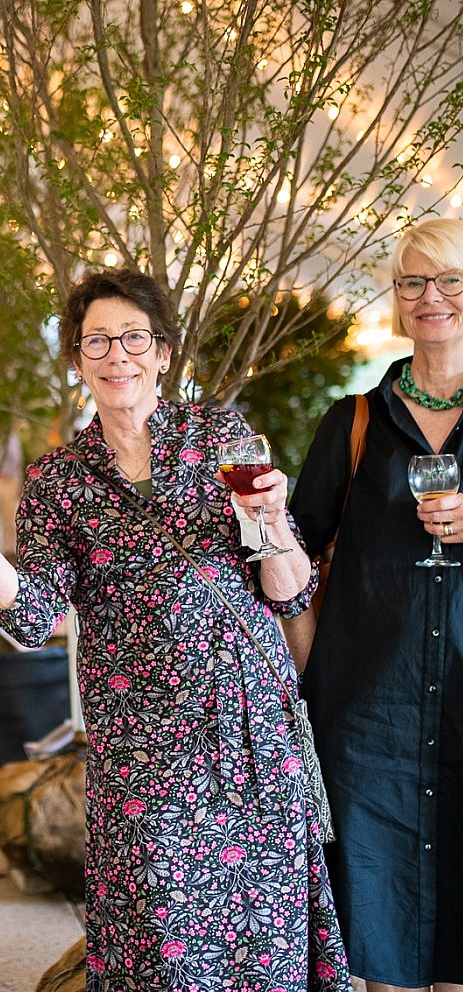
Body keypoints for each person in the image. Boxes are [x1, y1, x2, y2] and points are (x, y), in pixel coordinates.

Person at [0, 268, 351, 992]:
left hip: (251, 736)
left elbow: (288, 589)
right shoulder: (59, 481)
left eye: (135, 337)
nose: (119, 355)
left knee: (264, 939)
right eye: (97, 342)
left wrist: (272, 523)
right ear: (77, 360)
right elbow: (31, 620)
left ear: (164, 351)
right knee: (163, 938)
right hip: (146, 749)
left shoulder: (221, 438)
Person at [289, 217, 463, 992]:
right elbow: (291, 556)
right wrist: (258, 522)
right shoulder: (353, 422)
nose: (433, 298)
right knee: (378, 947)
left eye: (452, 279)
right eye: (414, 282)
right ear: (397, 300)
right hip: (369, 716)